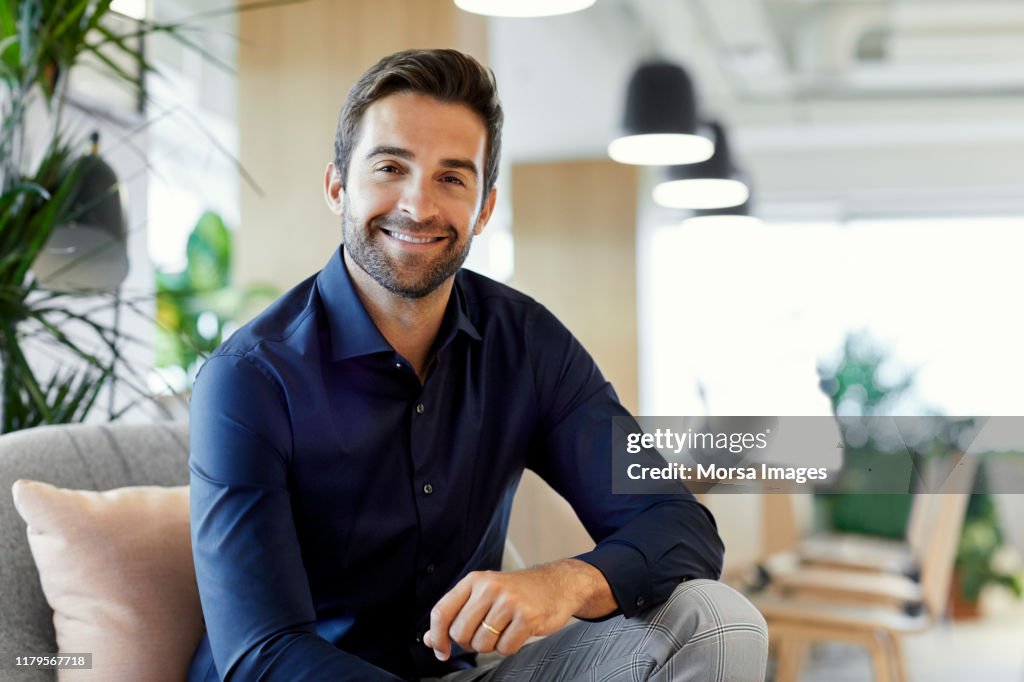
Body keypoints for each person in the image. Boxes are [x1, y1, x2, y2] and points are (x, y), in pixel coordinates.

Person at [187, 48, 768, 681]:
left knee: (713, 618)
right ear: (337, 186)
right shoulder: (248, 377)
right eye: (390, 167)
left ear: (484, 209)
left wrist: (565, 583)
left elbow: (678, 523)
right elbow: (262, 653)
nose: (418, 204)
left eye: (452, 178)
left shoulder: (527, 344)